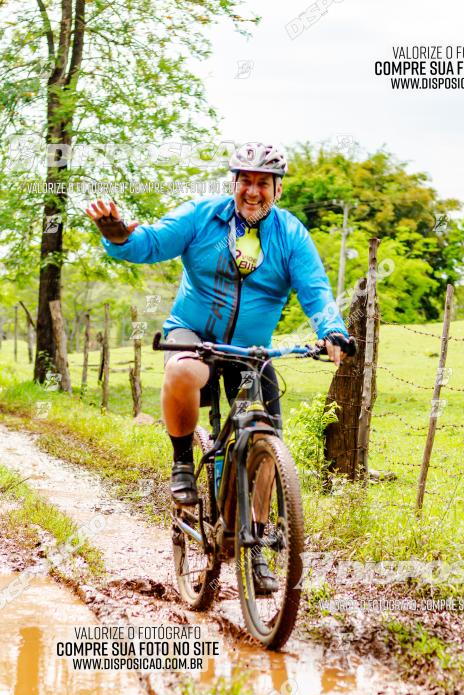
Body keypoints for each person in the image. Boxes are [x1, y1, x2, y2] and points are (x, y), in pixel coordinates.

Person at [85, 142, 350, 591]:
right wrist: (117, 235)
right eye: (245, 180)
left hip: (250, 351)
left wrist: (331, 329)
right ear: (234, 183)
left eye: (262, 183)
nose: (252, 191)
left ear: (277, 189)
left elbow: (315, 289)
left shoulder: (290, 234)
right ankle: (183, 462)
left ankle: (257, 543)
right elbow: (150, 243)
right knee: (183, 372)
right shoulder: (202, 216)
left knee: (265, 441)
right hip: (194, 332)